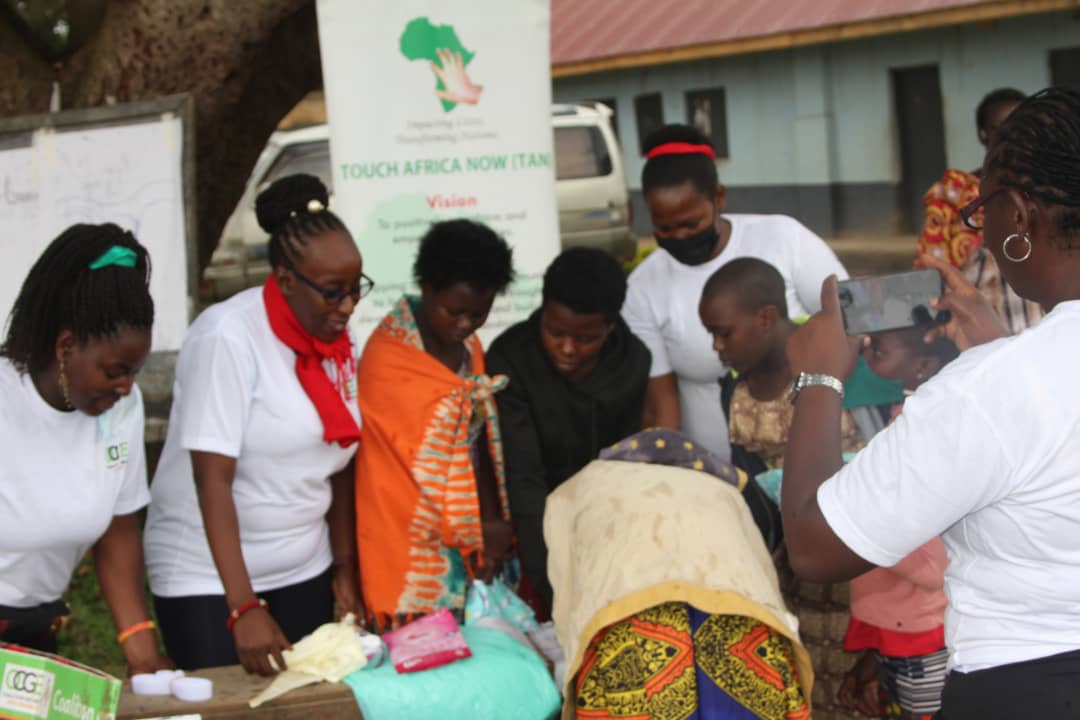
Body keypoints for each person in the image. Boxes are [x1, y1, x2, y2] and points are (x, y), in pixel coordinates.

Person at [783, 87, 1080, 718]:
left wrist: (818, 380)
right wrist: (1000, 351)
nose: (984, 232)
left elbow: (815, 546)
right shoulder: (1006, 376)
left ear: (1021, 215)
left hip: (1031, 689)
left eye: (984, 211)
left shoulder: (990, 391)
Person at [145, 174, 367, 675]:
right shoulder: (227, 338)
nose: (349, 306)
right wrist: (243, 607)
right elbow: (212, 479)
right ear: (286, 279)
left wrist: (343, 565)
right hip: (208, 578)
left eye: (356, 289)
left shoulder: (339, 340)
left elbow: (339, 459)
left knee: (303, 707)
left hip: (301, 566)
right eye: (334, 293)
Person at [545, 429, 812, 719]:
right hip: (743, 631)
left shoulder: (579, 489)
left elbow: (570, 597)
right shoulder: (721, 488)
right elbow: (763, 579)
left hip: (631, 636)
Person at [0, 224, 171, 674]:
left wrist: (140, 645)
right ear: (66, 346)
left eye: (135, 370)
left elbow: (118, 524)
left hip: (35, 635)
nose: (126, 387)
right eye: (115, 371)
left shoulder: (122, 408)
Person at [623, 124, 847, 458]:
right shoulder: (643, 287)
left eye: (691, 223)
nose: (680, 236)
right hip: (716, 466)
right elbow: (663, 405)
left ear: (719, 198)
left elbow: (850, 317)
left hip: (817, 449)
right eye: (664, 227)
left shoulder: (780, 238)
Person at [354, 219, 515, 631]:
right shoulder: (388, 357)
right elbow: (402, 463)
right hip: (404, 538)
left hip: (465, 535)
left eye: (478, 314)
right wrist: (473, 527)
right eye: (454, 311)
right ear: (426, 288)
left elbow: (474, 441)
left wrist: (491, 519)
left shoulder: (469, 348)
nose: (465, 325)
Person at [486, 247, 650, 613]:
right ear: (542, 311)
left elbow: (622, 470)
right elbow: (524, 478)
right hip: (533, 523)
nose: (567, 348)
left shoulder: (633, 362)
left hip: (606, 516)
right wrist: (555, 587)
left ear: (610, 326)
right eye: (554, 331)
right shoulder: (509, 359)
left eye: (585, 338)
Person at [838, 327, 959, 720]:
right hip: (897, 621)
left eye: (879, 353)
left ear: (923, 365)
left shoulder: (930, 431)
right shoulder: (900, 418)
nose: (866, 361)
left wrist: (861, 534)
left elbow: (932, 565)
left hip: (922, 630)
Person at [700, 257, 865, 472]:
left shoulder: (839, 357)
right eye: (711, 334)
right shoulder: (736, 392)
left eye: (724, 333)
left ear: (766, 319)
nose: (716, 345)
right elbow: (748, 477)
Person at [919, 87, 1042, 334]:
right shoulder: (953, 193)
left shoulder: (1052, 189)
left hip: (1042, 324)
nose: (1014, 137)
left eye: (1022, 127)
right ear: (983, 135)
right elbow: (932, 269)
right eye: (1001, 129)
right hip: (977, 329)